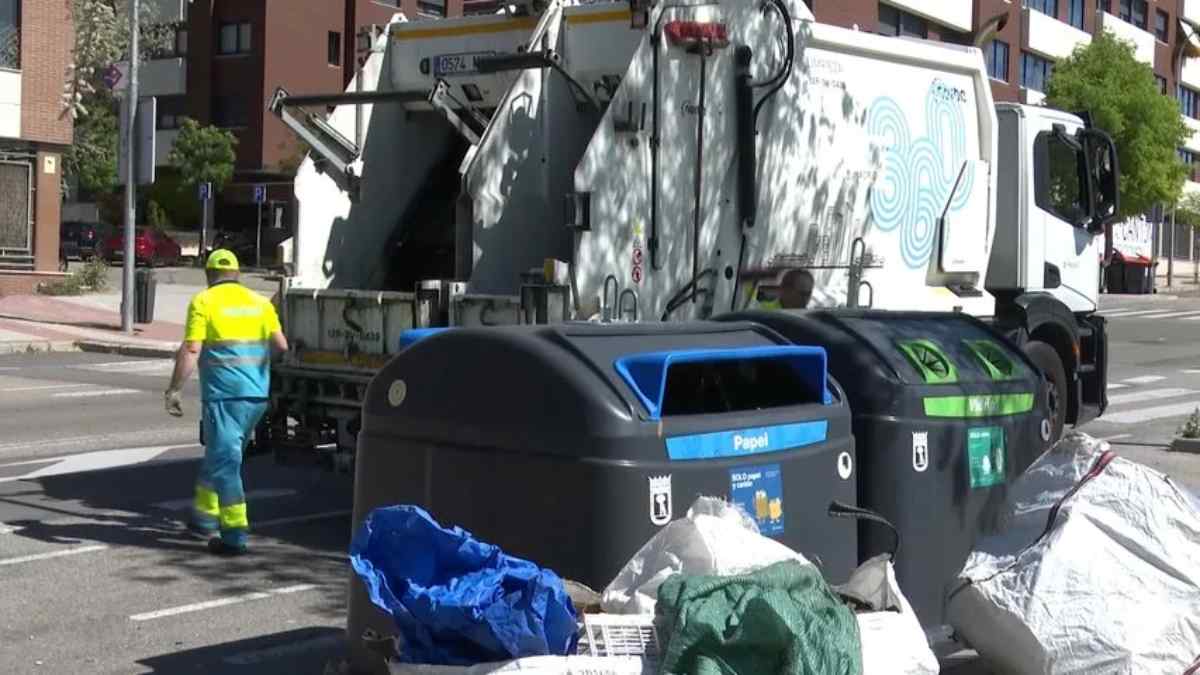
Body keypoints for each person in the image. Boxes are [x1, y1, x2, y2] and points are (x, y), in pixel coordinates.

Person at [164, 249, 288, 555]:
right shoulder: (260, 303)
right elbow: (281, 346)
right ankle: (204, 518)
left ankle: (234, 535)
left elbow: (192, 349)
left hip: (224, 396)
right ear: (237, 274)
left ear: (208, 275)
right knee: (221, 456)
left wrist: (174, 389)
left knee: (225, 465)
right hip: (255, 397)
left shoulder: (204, 301)